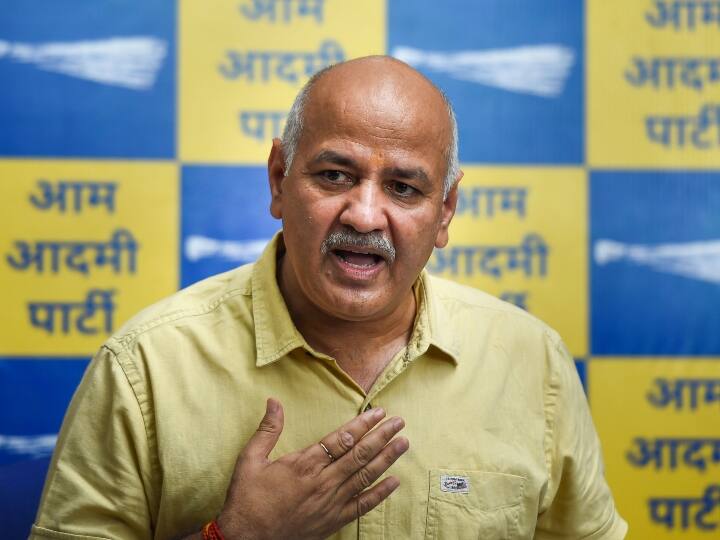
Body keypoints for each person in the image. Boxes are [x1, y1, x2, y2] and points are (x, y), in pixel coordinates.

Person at [31, 56, 627, 539]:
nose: (365, 215)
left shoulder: (532, 362)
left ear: (445, 211)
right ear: (278, 179)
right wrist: (234, 536)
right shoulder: (145, 368)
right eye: (334, 176)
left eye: (404, 187)